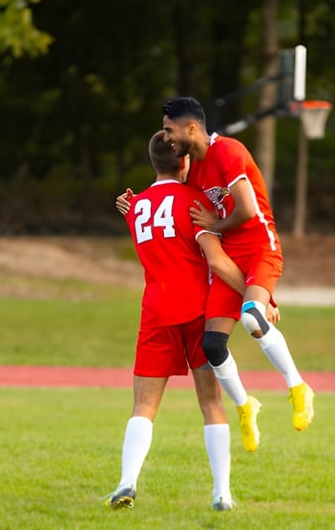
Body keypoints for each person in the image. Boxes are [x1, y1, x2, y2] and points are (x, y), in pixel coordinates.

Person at [118, 97, 314, 451]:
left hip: (258, 249)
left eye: (168, 128)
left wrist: (216, 224)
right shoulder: (194, 171)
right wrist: (138, 206)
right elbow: (173, 200)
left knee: (253, 317)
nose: (167, 136)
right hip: (227, 260)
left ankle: (298, 386)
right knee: (212, 345)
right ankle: (245, 405)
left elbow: (248, 209)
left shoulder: (228, 152)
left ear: (190, 128)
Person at [104, 131, 249, 512]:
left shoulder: (135, 208)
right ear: (185, 162)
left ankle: (126, 481)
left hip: (155, 314)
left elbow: (151, 223)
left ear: (153, 163)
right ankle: (221, 494)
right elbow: (216, 260)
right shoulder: (195, 201)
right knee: (210, 403)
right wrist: (255, 294)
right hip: (197, 313)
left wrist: (133, 204)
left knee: (143, 407)